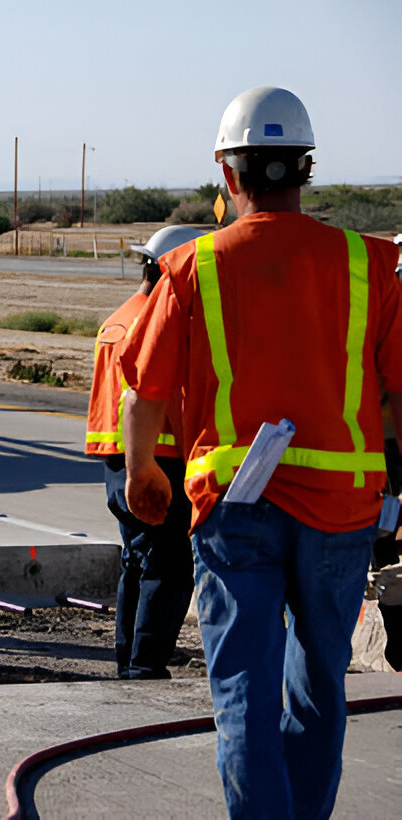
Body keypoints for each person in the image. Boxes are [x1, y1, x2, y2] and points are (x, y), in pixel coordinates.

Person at [120, 86, 402, 817]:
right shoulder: (370, 264)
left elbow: (144, 389)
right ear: (305, 168)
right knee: (320, 685)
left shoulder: (194, 267)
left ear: (228, 171)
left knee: (245, 689)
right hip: (342, 511)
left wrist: (143, 470)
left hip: (236, 508)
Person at [85, 225, 203, 679]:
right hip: (159, 460)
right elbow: (163, 399)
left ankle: (130, 660)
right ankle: (146, 665)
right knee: (168, 565)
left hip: (118, 460)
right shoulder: (158, 324)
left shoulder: (116, 320)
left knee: (137, 560)